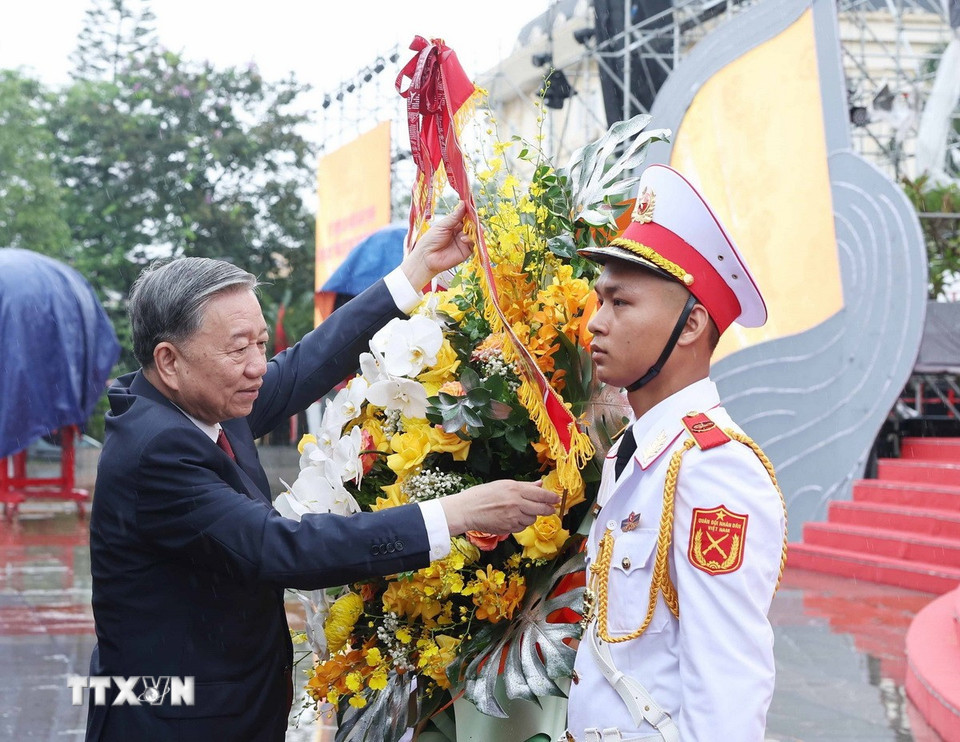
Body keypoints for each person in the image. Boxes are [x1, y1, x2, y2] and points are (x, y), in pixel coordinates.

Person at [84, 203, 559, 741]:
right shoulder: (156, 448)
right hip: (173, 718)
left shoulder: (199, 400)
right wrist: (451, 513)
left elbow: (304, 365)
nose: (258, 365)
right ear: (169, 360)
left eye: (261, 343)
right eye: (238, 349)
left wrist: (416, 271)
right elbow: (281, 548)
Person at [565, 165, 788, 741]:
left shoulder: (714, 468)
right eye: (599, 300)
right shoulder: (634, 450)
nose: (596, 324)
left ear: (690, 325)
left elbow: (729, 694)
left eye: (620, 302)